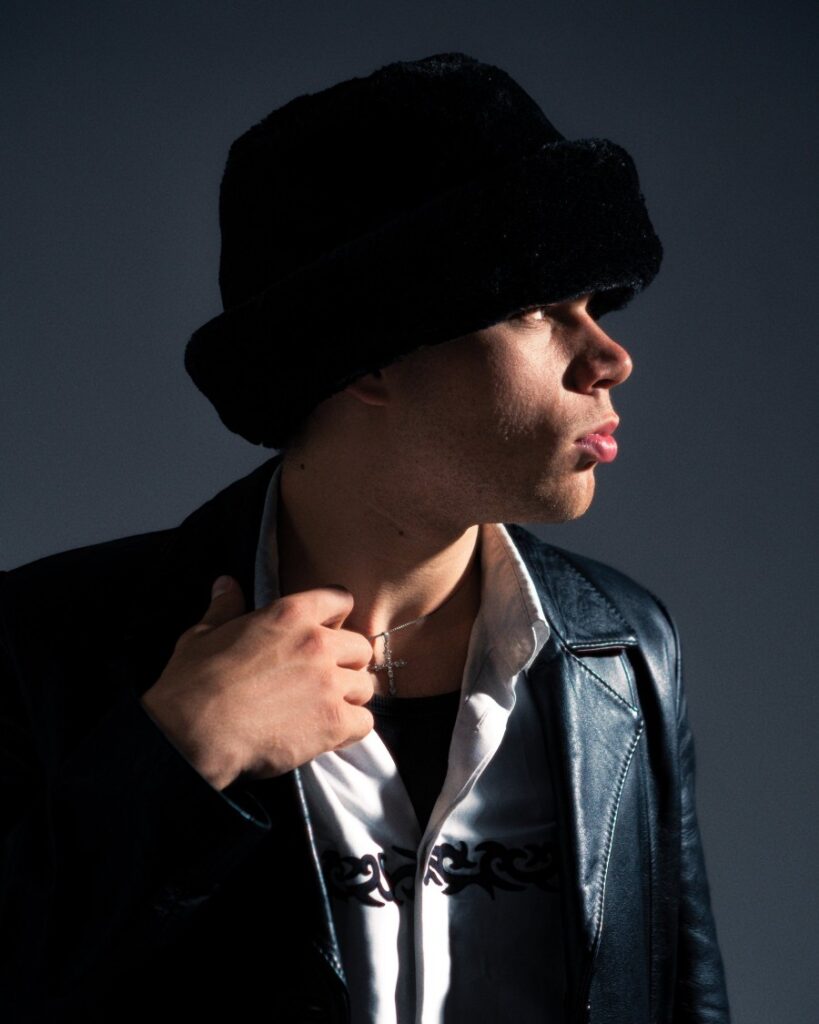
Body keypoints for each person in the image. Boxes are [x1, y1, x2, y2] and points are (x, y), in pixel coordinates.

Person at [0, 51, 730, 1023]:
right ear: (369, 355)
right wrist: (179, 758)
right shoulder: (52, 644)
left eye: (594, 305)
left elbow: (682, 994)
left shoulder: (624, 643)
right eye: (534, 308)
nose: (610, 356)